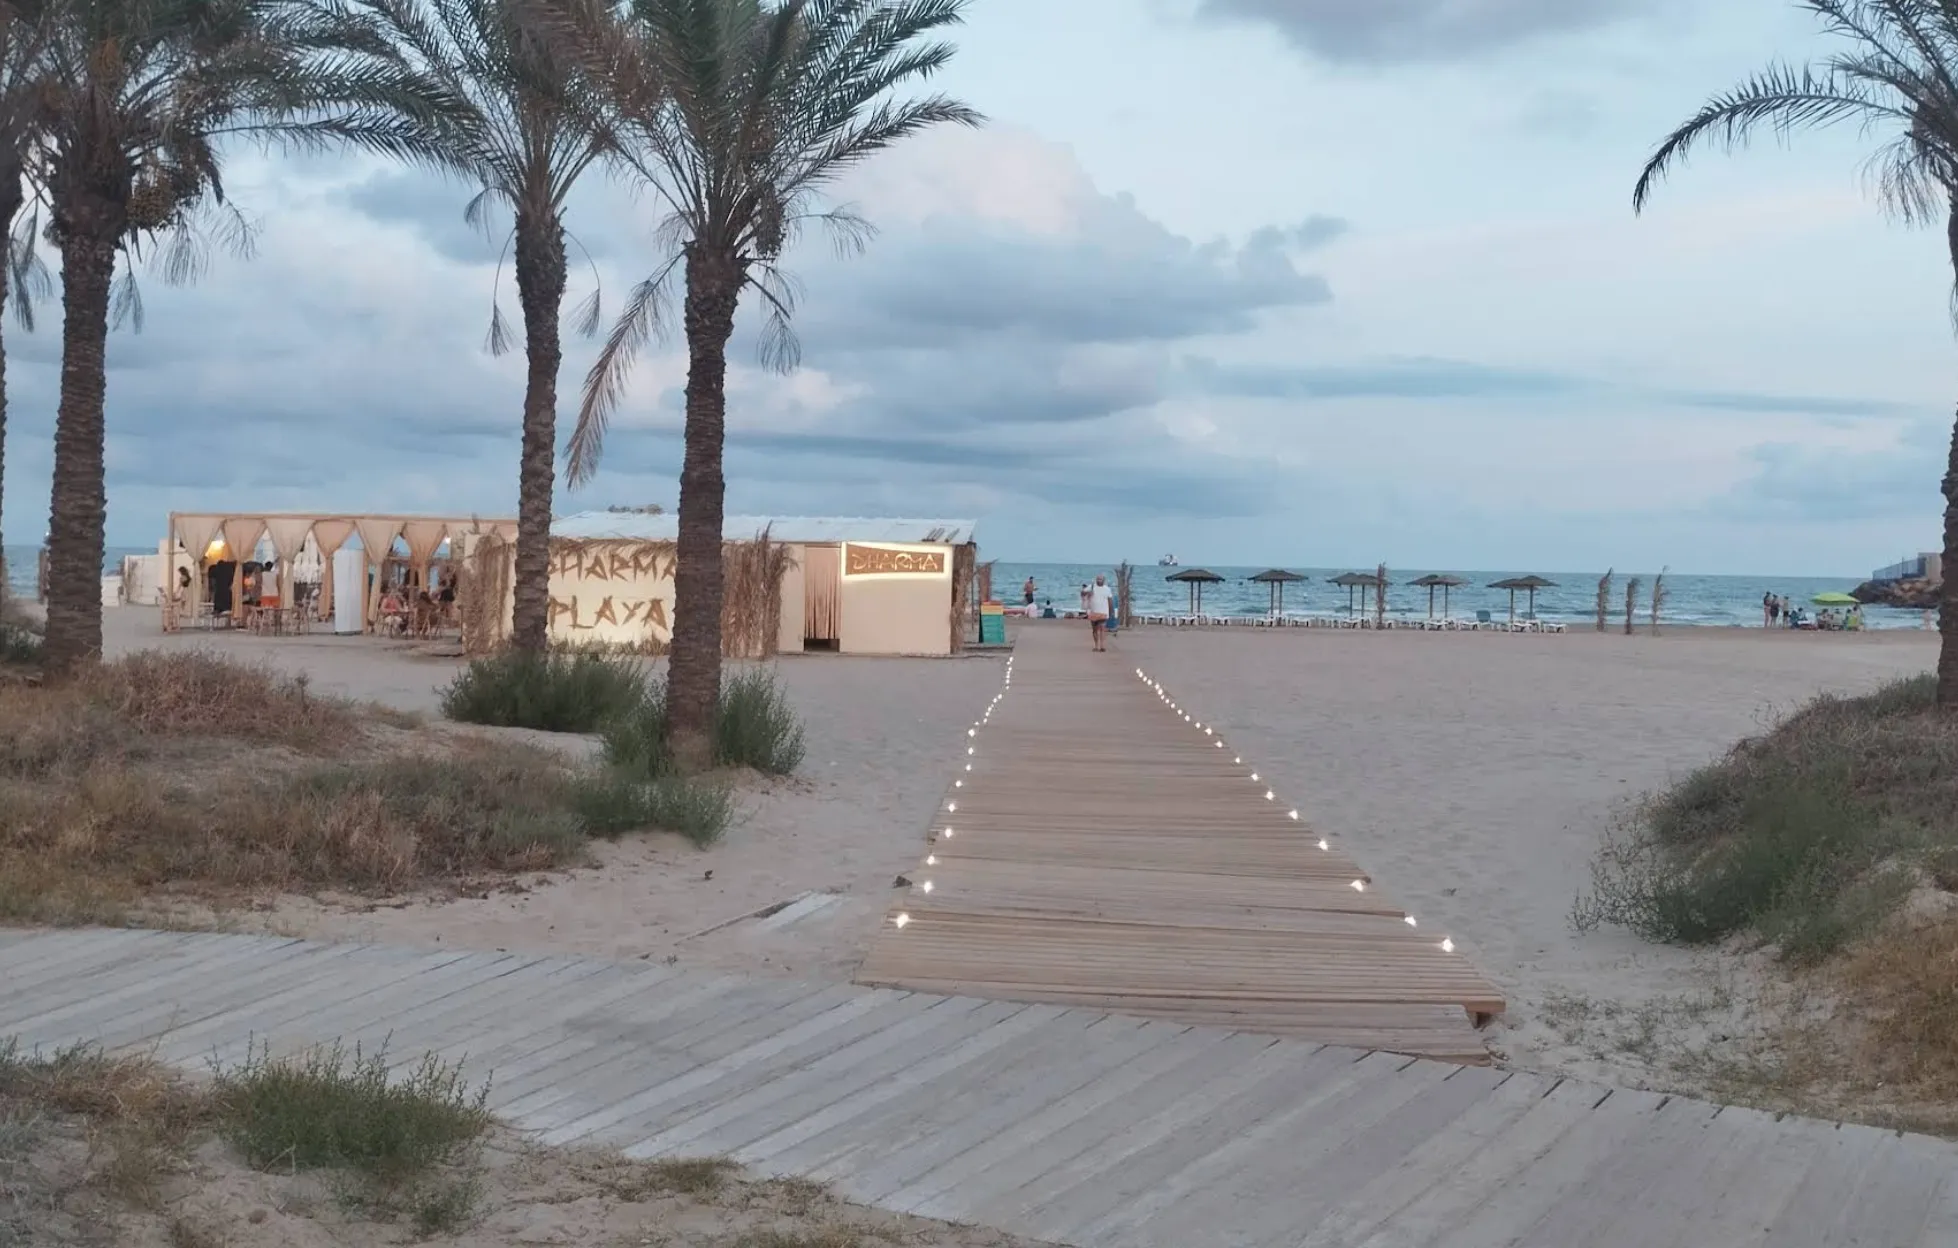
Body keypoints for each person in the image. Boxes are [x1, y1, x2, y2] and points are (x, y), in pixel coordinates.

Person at [1086, 574, 1114, 652]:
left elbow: (1110, 600)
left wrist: (1111, 611)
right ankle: (1096, 645)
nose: (1099, 580)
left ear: (1104, 580)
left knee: (1102, 629)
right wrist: (1087, 594)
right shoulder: (1091, 587)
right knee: (1094, 630)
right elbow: (1084, 594)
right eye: (1098, 579)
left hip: (1103, 612)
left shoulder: (1107, 589)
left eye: (1101, 579)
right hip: (1093, 611)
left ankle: (1102, 646)